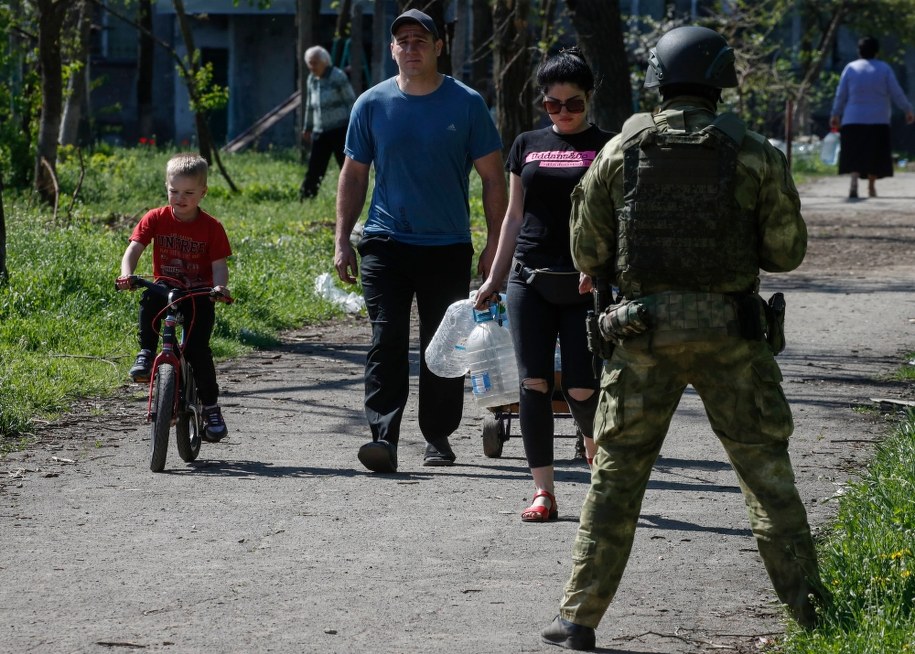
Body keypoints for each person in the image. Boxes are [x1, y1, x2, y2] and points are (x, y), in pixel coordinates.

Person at [540, 26, 829, 650]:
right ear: (720, 82)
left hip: (642, 339)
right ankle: (813, 615)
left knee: (616, 478)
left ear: (656, 79)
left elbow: (587, 251)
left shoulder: (620, 150)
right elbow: (786, 251)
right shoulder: (753, 152)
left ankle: (578, 618)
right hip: (732, 338)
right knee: (766, 476)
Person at [334, 9, 507, 473]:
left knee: (443, 343)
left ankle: (438, 435)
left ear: (438, 47)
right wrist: (341, 240)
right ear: (393, 50)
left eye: (419, 41)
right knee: (385, 337)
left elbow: (493, 178)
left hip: (447, 244)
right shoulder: (370, 104)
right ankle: (383, 436)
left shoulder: (466, 103)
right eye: (402, 41)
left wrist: (493, 243)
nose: (410, 48)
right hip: (385, 242)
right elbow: (353, 175)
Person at [474, 48, 612, 522]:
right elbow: (513, 216)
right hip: (528, 279)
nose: (564, 113)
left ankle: (601, 468)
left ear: (590, 98)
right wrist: (494, 276)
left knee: (579, 386)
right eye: (553, 105)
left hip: (584, 283)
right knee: (532, 384)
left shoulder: (609, 146)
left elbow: (618, 218)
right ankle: (543, 493)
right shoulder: (526, 143)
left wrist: (604, 267)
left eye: (573, 103)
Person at [116, 153, 233, 442]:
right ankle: (146, 352)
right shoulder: (155, 218)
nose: (179, 198)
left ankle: (211, 408)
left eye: (188, 193)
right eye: (174, 191)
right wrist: (127, 274)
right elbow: (134, 248)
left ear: (203, 193)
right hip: (165, 287)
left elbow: (220, 266)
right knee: (149, 299)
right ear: (167, 187)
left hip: (198, 294)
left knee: (197, 350)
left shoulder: (211, 227)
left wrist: (218, 289)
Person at [829, 36, 914, 199]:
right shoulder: (884, 69)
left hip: (852, 119)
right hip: (878, 119)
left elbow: (841, 95)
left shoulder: (850, 68)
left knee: (855, 153)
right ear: (876, 51)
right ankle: (871, 187)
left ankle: (854, 182)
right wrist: (907, 109)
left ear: (859, 51)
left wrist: (835, 114)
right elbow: (896, 92)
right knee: (875, 154)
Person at [299, 45, 356, 201]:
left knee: (345, 167)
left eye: (315, 62)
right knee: (314, 167)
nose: (312, 66)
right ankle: (306, 198)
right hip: (320, 131)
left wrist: (355, 126)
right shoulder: (311, 79)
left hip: (340, 129)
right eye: (309, 63)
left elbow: (351, 102)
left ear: (325, 62)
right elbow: (310, 106)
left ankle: (351, 198)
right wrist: (307, 127)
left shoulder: (337, 76)